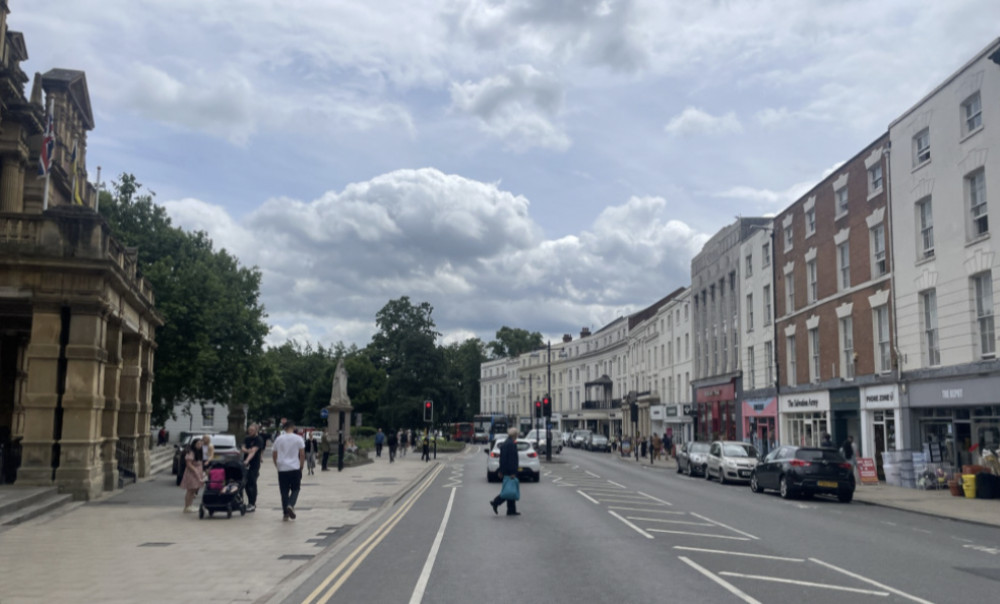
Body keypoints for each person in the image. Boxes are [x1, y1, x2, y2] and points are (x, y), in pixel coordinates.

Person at [272, 421, 305, 521]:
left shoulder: (279, 439)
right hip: (294, 467)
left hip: (282, 468)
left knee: (284, 491)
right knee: (296, 488)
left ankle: (285, 513)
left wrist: (277, 464)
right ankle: (291, 504)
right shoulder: (298, 438)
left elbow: (274, 453)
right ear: (293, 427)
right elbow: (302, 453)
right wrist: (301, 466)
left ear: (284, 428)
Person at [490, 428, 521, 516]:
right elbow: (511, 460)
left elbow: (502, 459)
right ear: (514, 435)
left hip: (506, 469)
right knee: (509, 490)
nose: (517, 436)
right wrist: (512, 472)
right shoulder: (511, 444)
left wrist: (501, 470)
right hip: (510, 470)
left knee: (511, 489)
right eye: (517, 435)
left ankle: (511, 510)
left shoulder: (506, 443)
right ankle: (496, 502)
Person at [241, 423, 263, 513]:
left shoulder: (258, 439)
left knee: (252, 483)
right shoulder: (246, 438)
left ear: (256, 430)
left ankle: (252, 503)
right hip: (246, 465)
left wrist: (247, 460)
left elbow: (253, 452)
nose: (250, 432)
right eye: (249, 430)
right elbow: (242, 448)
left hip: (254, 464)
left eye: (252, 430)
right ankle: (249, 502)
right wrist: (247, 450)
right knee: (245, 483)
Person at [180, 437, 205, 513]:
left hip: (198, 472)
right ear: (194, 444)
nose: (200, 445)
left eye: (201, 444)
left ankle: (190, 505)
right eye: (198, 444)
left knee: (194, 489)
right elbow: (189, 464)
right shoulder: (191, 452)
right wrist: (195, 470)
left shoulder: (199, 452)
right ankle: (187, 506)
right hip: (192, 473)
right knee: (190, 490)